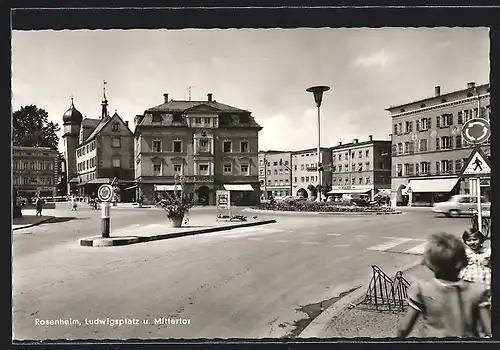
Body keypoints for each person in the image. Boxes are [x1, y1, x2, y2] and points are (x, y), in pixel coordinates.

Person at [397, 232, 491, 338]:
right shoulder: (478, 290)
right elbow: (488, 329)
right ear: (463, 261)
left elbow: (404, 327)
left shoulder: (421, 288)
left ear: (429, 263)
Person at [460, 229, 491, 295]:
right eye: (469, 240)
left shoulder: (487, 251)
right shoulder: (465, 253)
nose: (472, 242)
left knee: (486, 294)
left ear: (481, 240)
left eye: (474, 239)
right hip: (470, 277)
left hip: (485, 277)